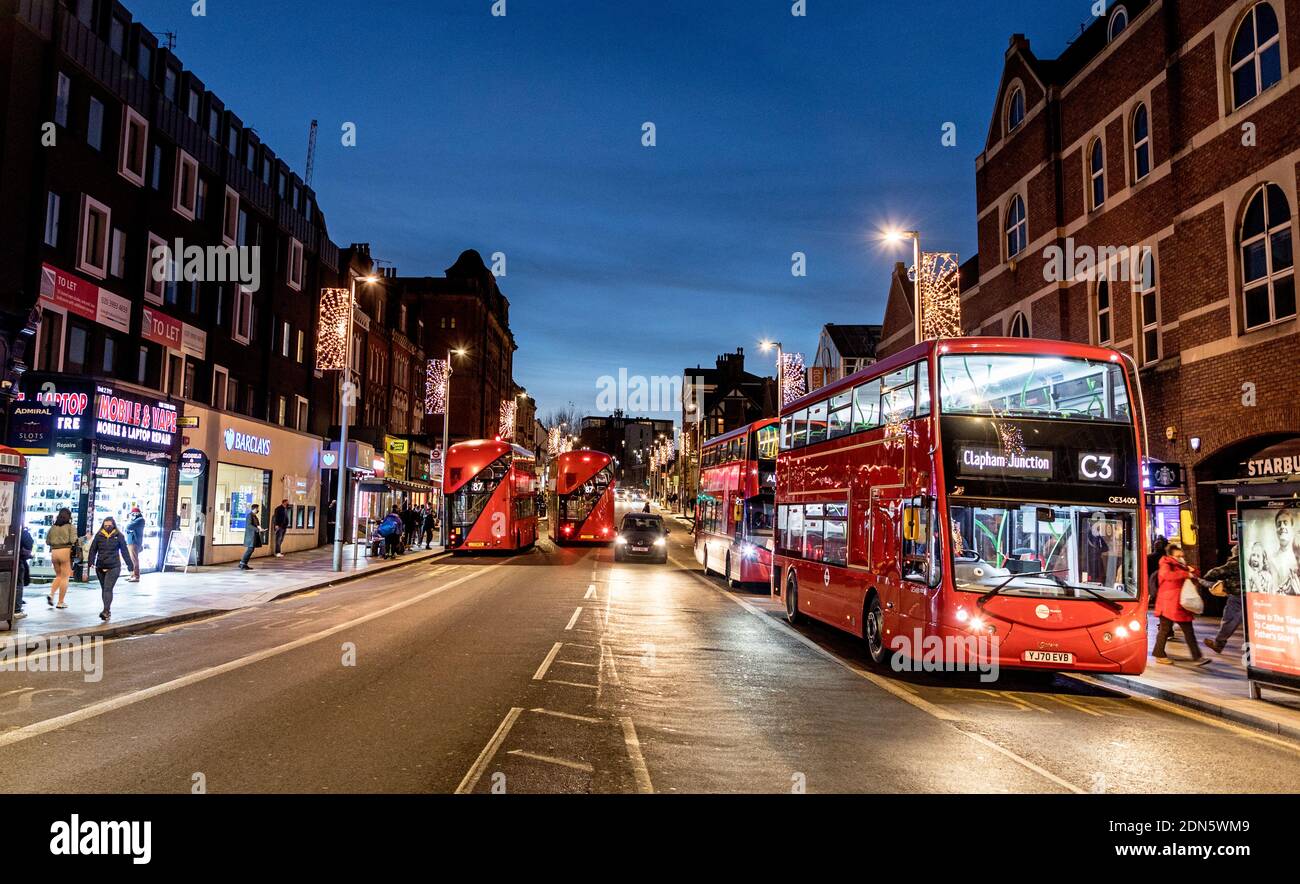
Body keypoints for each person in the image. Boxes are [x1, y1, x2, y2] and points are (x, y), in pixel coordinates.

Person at [1152, 541, 1210, 666]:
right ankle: (1195, 657)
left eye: (1181, 556)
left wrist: (1192, 570)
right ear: (1171, 555)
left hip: (1176, 604)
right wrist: (1186, 573)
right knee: (1168, 630)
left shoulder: (1179, 565)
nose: (1181, 558)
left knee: (1171, 630)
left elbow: (1195, 575)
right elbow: (1167, 575)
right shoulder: (1166, 564)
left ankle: (1161, 654)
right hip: (1170, 604)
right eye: (1178, 556)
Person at [87, 517, 131, 621]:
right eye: (105, 525)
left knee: (107, 588)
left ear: (113, 525)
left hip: (114, 566)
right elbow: (93, 549)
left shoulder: (119, 536)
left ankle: (106, 611)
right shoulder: (99, 535)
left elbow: (124, 551)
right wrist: (91, 562)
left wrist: (130, 566)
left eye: (109, 525)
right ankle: (107, 610)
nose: (107, 527)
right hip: (100, 566)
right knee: (104, 589)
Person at [1203, 545, 1242, 654]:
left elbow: (1211, 574)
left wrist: (1223, 580)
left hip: (1237, 596)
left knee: (1229, 620)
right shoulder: (1252, 561)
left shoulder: (1233, 564)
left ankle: (1219, 644)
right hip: (1253, 596)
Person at [45, 508, 76, 609]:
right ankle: (60, 602)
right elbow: (73, 540)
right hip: (65, 551)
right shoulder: (70, 527)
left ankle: (51, 594)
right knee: (65, 577)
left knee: (58, 576)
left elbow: (47, 541)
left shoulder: (53, 527)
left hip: (54, 552)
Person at [15, 526, 33, 620]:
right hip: (18, 560)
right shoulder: (22, 531)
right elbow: (28, 546)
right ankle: (17, 609)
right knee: (18, 584)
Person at [124, 505, 145, 582]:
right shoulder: (137, 520)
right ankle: (132, 575)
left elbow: (128, 527)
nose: (131, 516)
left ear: (136, 514)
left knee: (134, 560)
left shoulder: (140, 520)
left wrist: (129, 529)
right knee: (131, 559)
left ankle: (136, 576)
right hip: (131, 542)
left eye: (132, 514)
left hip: (134, 542)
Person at [238, 504, 262, 570]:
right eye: (257, 509)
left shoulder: (254, 516)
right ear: (254, 509)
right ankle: (242, 563)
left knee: (251, 549)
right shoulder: (249, 515)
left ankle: (243, 563)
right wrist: (257, 529)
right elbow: (249, 525)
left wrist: (260, 528)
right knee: (250, 549)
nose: (258, 510)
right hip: (250, 535)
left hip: (254, 535)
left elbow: (257, 524)